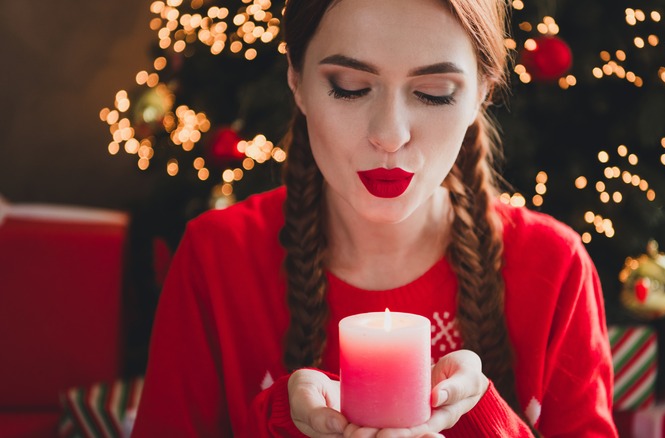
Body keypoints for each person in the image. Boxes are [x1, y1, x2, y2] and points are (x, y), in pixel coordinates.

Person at [132, 0, 618, 436]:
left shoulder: (554, 267)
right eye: (349, 87)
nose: (389, 135)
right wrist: (279, 415)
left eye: (433, 93)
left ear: (482, 95)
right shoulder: (217, 255)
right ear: (296, 82)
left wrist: (483, 420)